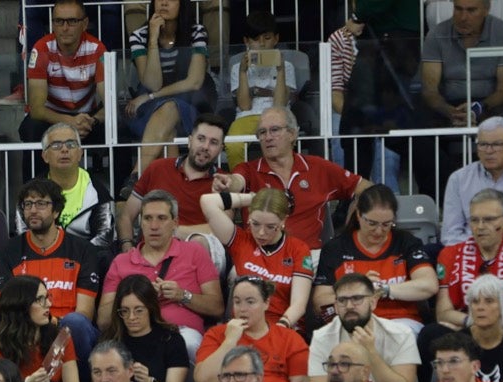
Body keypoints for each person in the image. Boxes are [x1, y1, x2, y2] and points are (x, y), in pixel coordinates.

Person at [223, 107, 371, 250]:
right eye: (262, 132)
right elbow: (236, 181)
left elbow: (368, 188)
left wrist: (354, 221)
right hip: (261, 257)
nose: (268, 137)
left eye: (274, 130)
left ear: (292, 134)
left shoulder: (317, 167)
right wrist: (229, 183)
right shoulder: (248, 170)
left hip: (310, 257)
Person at [100, 190, 224, 357]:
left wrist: (182, 295)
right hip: (133, 335)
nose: (154, 226)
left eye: (162, 218)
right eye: (147, 218)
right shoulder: (121, 261)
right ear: (141, 223)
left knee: (186, 344)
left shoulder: (195, 252)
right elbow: (103, 320)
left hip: (182, 334)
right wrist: (137, 296)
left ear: (175, 223)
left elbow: (217, 307)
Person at [0, 179, 101, 366]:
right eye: (28, 204)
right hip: (27, 328)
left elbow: (85, 312)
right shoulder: (8, 252)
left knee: (75, 323)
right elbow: (6, 307)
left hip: (69, 329)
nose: (33, 210)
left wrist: (52, 322)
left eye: (41, 203)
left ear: (56, 211)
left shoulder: (83, 250)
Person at [311, 185, 439, 331]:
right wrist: (360, 289)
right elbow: (320, 302)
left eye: (386, 224)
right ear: (359, 215)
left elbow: (429, 285)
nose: (379, 231)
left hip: (400, 321)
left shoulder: (405, 242)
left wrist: (384, 289)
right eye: (372, 223)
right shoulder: (336, 248)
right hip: (352, 322)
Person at [198, 188, 312, 332]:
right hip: (244, 326)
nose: (261, 232)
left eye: (271, 227)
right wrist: (256, 198)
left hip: (283, 326)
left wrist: (280, 328)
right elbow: (207, 201)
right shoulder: (241, 240)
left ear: (283, 221)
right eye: (255, 224)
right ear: (248, 218)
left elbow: (299, 304)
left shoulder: (298, 249)